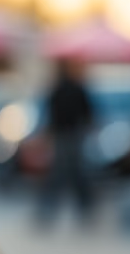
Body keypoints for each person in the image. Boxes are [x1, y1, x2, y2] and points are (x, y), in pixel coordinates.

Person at [37, 59, 96, 226]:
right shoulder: (69, 88)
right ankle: (83, 208)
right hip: (69, 135)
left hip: (67, 135)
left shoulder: (62, 89)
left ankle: (50, 210)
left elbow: (51, 115)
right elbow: (88, 113)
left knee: (65, 173)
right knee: (70, 172)